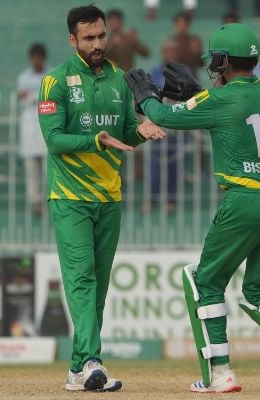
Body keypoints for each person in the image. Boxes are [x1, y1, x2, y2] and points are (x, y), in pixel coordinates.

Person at [126, 22, 260, 393]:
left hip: (245, 201)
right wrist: (199, 95)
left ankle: (220, 375)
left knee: (204, 280)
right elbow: (231, 115)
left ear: (222, 60)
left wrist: (146, 96)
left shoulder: (217, 100)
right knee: (259, 288)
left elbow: (165, 117)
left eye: (215, 60)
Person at [38, 5, 165, 392]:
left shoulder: (119, 79)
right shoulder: (54, 81)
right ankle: (93, 361)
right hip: (70, 197)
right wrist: (96, 140)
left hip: (109, 197)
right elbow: (54, 139)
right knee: (81, 280)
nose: (97, 44)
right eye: (88, 38)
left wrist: (144, 129)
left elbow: (126, 131)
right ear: (72, 40)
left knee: (99, 286)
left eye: (101, 36)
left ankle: (77, 370)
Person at [147, 39, 184, 214]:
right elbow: (151, 94)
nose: (170, 54)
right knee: (155, 162)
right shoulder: (155, 72)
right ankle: (151, 199)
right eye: (167, 50)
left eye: (173, 51)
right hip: (158, 123)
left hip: (178, 124)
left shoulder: (185, 72)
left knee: (174, 164)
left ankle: (171, 200)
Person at [17, 43, 50, 214]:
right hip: (29, 124)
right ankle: (35, 201)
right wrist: (37, 99)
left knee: (49, 166)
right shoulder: (24, 77)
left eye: (39, 57)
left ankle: (51, 199)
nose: (36, 60)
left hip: (47, 123)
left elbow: (51, 101)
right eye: (34, 57)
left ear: (43, 58)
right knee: (31, 166)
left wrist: (32, 98)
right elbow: (22, 98)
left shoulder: (51, 76)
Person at [171, 12, 204, 79]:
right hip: (175, 79)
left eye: (183, 24)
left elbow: (202, 64)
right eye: (178, 24)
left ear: (188, 25)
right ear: (174, 25)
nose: (181, 27)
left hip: (192, 79)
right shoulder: (170, 43)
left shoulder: (194, 41)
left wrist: (196, 53)